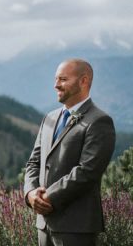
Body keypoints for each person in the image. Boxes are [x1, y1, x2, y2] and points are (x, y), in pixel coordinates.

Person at [24, 58, 116, 246]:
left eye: (63, 79)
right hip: (43, 226)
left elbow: (87, 171)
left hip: (76, 227)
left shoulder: (99, 121)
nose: (56, 85)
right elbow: (34, 162)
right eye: (56, 79)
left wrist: (48, 198)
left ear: (83, 81)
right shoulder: (49, 118)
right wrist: (31, 194)